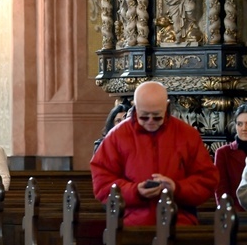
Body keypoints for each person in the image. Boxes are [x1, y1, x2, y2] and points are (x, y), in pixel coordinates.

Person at [90, 81, 218, 225]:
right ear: (135, 107)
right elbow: (102, 183)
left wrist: (176, 188)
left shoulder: (187, 135)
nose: (150, 122)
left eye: (157, 117)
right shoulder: (116, 136)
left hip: (179, 223)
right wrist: (135, 191)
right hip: (132, 225)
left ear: (167, 106)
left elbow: (207, 180)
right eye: (144, 117)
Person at [215, 104, 247, 212]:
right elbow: (221, 190)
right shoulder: (223, 153)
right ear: (235, 126)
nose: (244, 128)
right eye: (240, 124)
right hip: (236, 214)